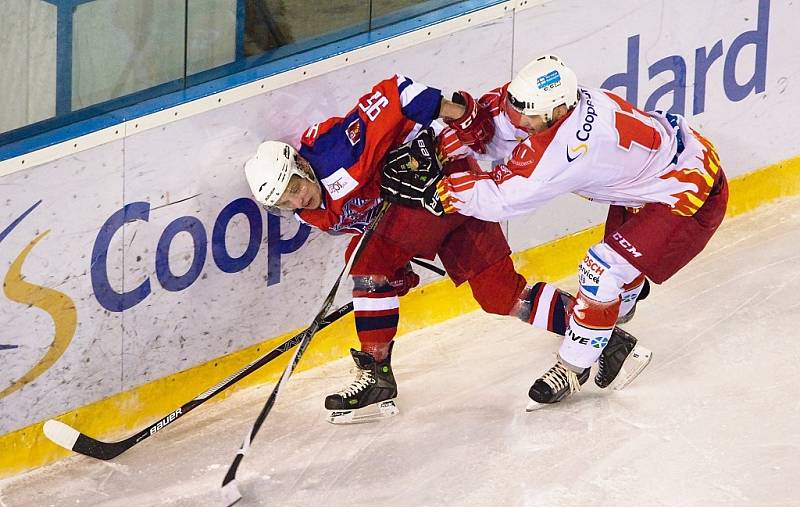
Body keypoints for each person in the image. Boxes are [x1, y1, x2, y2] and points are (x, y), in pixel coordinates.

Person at [244, 74, 642, 423]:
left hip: (448, 186)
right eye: (283, 201)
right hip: (437, 212)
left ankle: (376, 375)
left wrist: (458, 115)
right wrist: (393, 276)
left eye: (294, 188)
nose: (296, 201)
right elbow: (376, 227)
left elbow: (397, 93)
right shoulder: (308, 212)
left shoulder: (336, 152)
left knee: (366, 261)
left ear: (301, 166)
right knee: (501, 296)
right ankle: (604, 338)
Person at [389, 55, 727, 407]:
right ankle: (622, 300)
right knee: (617, 298)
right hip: (659, 177)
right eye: (522, 109)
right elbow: (505, 123)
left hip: (689, 196)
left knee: (601, 271)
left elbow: (502, 198)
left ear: (558, 111)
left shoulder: (568, 149)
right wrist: (445, 142)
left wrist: (439, 192)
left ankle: (572, 368)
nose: (523, 120)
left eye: (530, 115)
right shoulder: (558, 104)